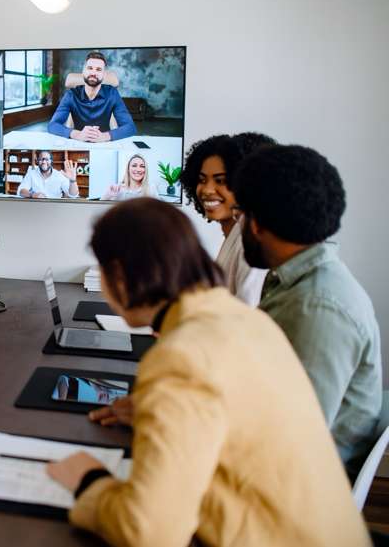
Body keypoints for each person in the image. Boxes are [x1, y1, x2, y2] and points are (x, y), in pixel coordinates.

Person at [45, 198, 368, 547]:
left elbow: (149, 533)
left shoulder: (181, 356)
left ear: (120, 276)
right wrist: (158, 412)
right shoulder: (243, 320)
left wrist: (91, 482)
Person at [235, 144, 382, 474]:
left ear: (255, 222)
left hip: (290, 493)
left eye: (239, 215)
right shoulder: (298, 283)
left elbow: (286, 443)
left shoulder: (317, 308)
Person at [178, 132, 276, 306]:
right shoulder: (234, 234)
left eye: (221, 181)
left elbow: (246, 313)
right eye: (202, 180)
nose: (208, 190)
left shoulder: (251, 240)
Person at [47, 51, 137, 142]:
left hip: (104, 143)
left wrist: (105, 136)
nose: (93, 73)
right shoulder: (71, 94)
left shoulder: (112, 93)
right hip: (79, 142)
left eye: (98, 69)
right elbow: (52, 125)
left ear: (104, 75)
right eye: (90, 68)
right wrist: (77, 134)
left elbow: (130, 127)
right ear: (83, 72)